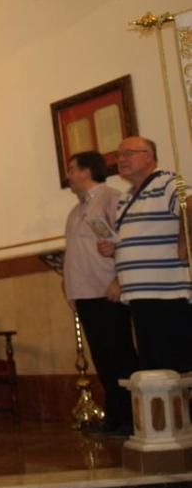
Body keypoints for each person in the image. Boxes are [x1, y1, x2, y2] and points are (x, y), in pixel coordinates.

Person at [98, 136, 192, 373]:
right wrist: (115, 252)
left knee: (176, 370)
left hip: (167, 295)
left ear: (149, 156)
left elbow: (189, 205)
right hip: (139, 296)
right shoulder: (126, 198)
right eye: (118, 155)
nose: (121, 159)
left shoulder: (167, 181)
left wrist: (185, 240)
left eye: (128, 153)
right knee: (155, 373)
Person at [63, 151, 138, 433]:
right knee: (102, 357)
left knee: (119, 354)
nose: (68, 176)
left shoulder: (112, 198)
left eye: (72, 169)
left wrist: (120, 279)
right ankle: (115, 415)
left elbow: (125, 242)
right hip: (84, 293)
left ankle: (131, 416)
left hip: (108, 291)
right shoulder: (75, 211)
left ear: (86, 171)